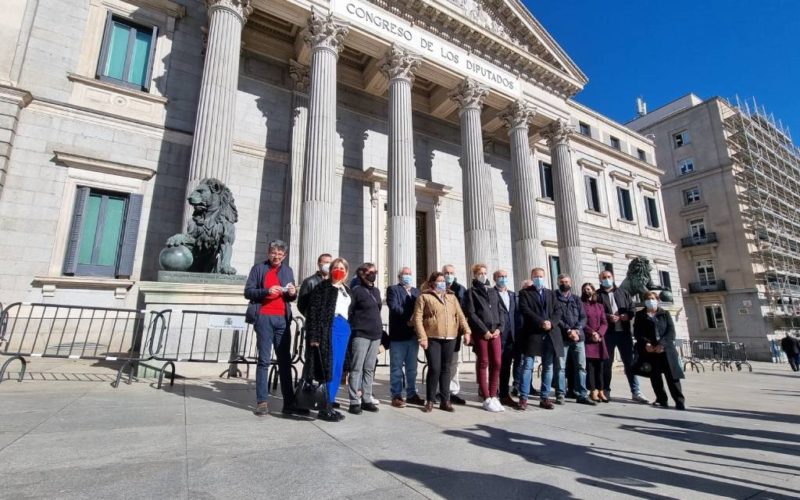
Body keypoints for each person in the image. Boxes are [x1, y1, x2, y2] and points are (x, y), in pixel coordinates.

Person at [244, 239, 301, 417]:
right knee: (264, 360)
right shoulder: (258, 268)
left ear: (284, 256)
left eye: (280, 254)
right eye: (273, 252)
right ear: (268, 253)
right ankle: (262, 401)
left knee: (285, 361)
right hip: (264, 317)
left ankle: (289, 402)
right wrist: (266, 292)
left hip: (282, 319)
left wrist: (293, 293)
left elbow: (291, 297)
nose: (276, 256)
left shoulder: (288, 270)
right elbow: (248, 292)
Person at [414, 271, 472, 413]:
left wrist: (467, 331)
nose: (442, 283)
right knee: (434, 368)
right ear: (432, 282)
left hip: (450, 337)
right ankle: (430, 399)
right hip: (432, 337)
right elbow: (417, 318)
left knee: (446, 369)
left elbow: (460, 315)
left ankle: (445, 400)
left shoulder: (451, 297)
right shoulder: (424, 297)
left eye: (443, 280)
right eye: (439, 280)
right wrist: (422, 337)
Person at [305, 257, 352, 422]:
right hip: (329, 328)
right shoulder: (322, 288)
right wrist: (314, 336)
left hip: (344, 328)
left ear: (346, 272)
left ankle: (330, 403)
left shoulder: (346, 290)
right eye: (336, 267)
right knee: (328, 368)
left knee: (338, 368)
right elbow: (313, 313)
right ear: (331, 270)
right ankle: (324, 408)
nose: (339, 270)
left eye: (342, 268)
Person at [597, 270, 649, 404]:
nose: (606, 279)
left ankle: (636, 391)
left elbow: (632, 307)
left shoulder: (623, 292)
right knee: (606, 364)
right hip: (608, 334)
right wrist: (608, 317)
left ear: (612, 278)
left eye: (608, 277)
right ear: (600, 280)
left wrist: (628, 315)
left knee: (629, 363)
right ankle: (606, 390)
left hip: (624, 333)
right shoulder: (597, 295)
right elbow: (596, 312)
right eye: (604, 277)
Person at [633, 291, 686, 409]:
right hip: (650, 350)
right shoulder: (640, 315)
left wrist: (662, 344)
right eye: (648, 299)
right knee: (655, 376)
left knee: (672, 376)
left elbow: (671, 332)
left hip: (666, 350)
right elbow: (637, 332)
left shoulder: (664, 313)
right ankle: (661, 399)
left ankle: (679, 400)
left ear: (657, 300)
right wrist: (646, 343)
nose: (650, 300)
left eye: (653, 298)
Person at [465, 264, 506, 412]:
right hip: (481, 333)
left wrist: (499, 329)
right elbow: (472, 313)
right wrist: (484, 330)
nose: (483, 275)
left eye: (484, 273)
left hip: (495, 332)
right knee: (483, 362)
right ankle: (486, 397)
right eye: (480, 273)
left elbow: (501, 310)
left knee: (497, 362)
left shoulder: (493, 291)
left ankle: (494, 395)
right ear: (475, 275)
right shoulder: (471, 292)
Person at [518, 268, 560, 410]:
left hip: (549, 333)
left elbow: (557, 311)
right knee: (527, 366)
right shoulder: (525, 293)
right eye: (536, 276)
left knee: (548, 367)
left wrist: (551, 323)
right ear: (531, 277)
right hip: (532, 333)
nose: (538, 278)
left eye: (541, 276)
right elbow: (525, 310)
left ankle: (545, 397)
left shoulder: (551, 293)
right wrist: (541, 322)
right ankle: (523, 397)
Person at [553, 274, 596, 406]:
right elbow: (556, 317)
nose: (564, 283)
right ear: (558, 283)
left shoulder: (576, 299)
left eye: (566, 281)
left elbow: (583, 317)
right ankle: (560, 393)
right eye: (562, 281)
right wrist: (568, 330)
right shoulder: (554, 298)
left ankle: (582, 394)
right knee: (560, 367)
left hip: (578, 338)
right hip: (562, 337)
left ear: (570, 283)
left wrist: (576, 330)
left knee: (581, 367)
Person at [347, 262, 383, 415]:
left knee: (369, 368)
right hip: (360, 334)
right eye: (369, 271)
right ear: (361, 273)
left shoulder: (376, 291)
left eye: (374, 271)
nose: (372, 274)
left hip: (375, 335)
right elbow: (350, 311)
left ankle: (367, 398)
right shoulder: (355, 291)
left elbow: (378, 309)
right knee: (357, 368)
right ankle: (354, 400)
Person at [386, 267, 424, 407]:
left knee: (412, 368)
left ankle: (411, 393)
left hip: (413, 336)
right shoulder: (393, 289)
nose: (407, 276)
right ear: (399, 276)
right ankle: (396, 395)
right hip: (398, 336)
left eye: (409, 274)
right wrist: (409, 318)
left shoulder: (416, 291)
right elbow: (394, 307)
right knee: (396, 368)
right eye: (405, 274)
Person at [493, 269, 520, 409]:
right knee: (496, 364)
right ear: (495, 279)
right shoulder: (490, 293)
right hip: (497, 334)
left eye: (505, 276)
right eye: (500, 276)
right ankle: (492, 392)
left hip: (511, 336)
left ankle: (504, 394)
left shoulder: (512, 295)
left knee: (506, 366)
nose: (503, 278)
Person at [442, 264, 468, 405]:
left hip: (454, 333)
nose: (448, 275)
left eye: (451, 272)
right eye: (446, 272)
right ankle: (440, 391)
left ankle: (453, 391)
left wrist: (465, 331)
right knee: (439, 364)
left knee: (453, 363)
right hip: (439, 333)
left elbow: (463, 311)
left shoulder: (460, 289)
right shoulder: (436, 287)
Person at [581, 283, 609, 403]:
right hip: (589, 339)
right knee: (590, 367)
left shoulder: (600, 306)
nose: (586, 291)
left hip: (599, 340)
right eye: (584, 290)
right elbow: (582, 322)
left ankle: (601, 390)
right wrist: (592, 333)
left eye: (588, 289)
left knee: (600, 367)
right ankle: (593, 390)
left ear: (593, 290)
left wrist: (599, 334)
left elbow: (604, 322)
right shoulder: (582, 305)